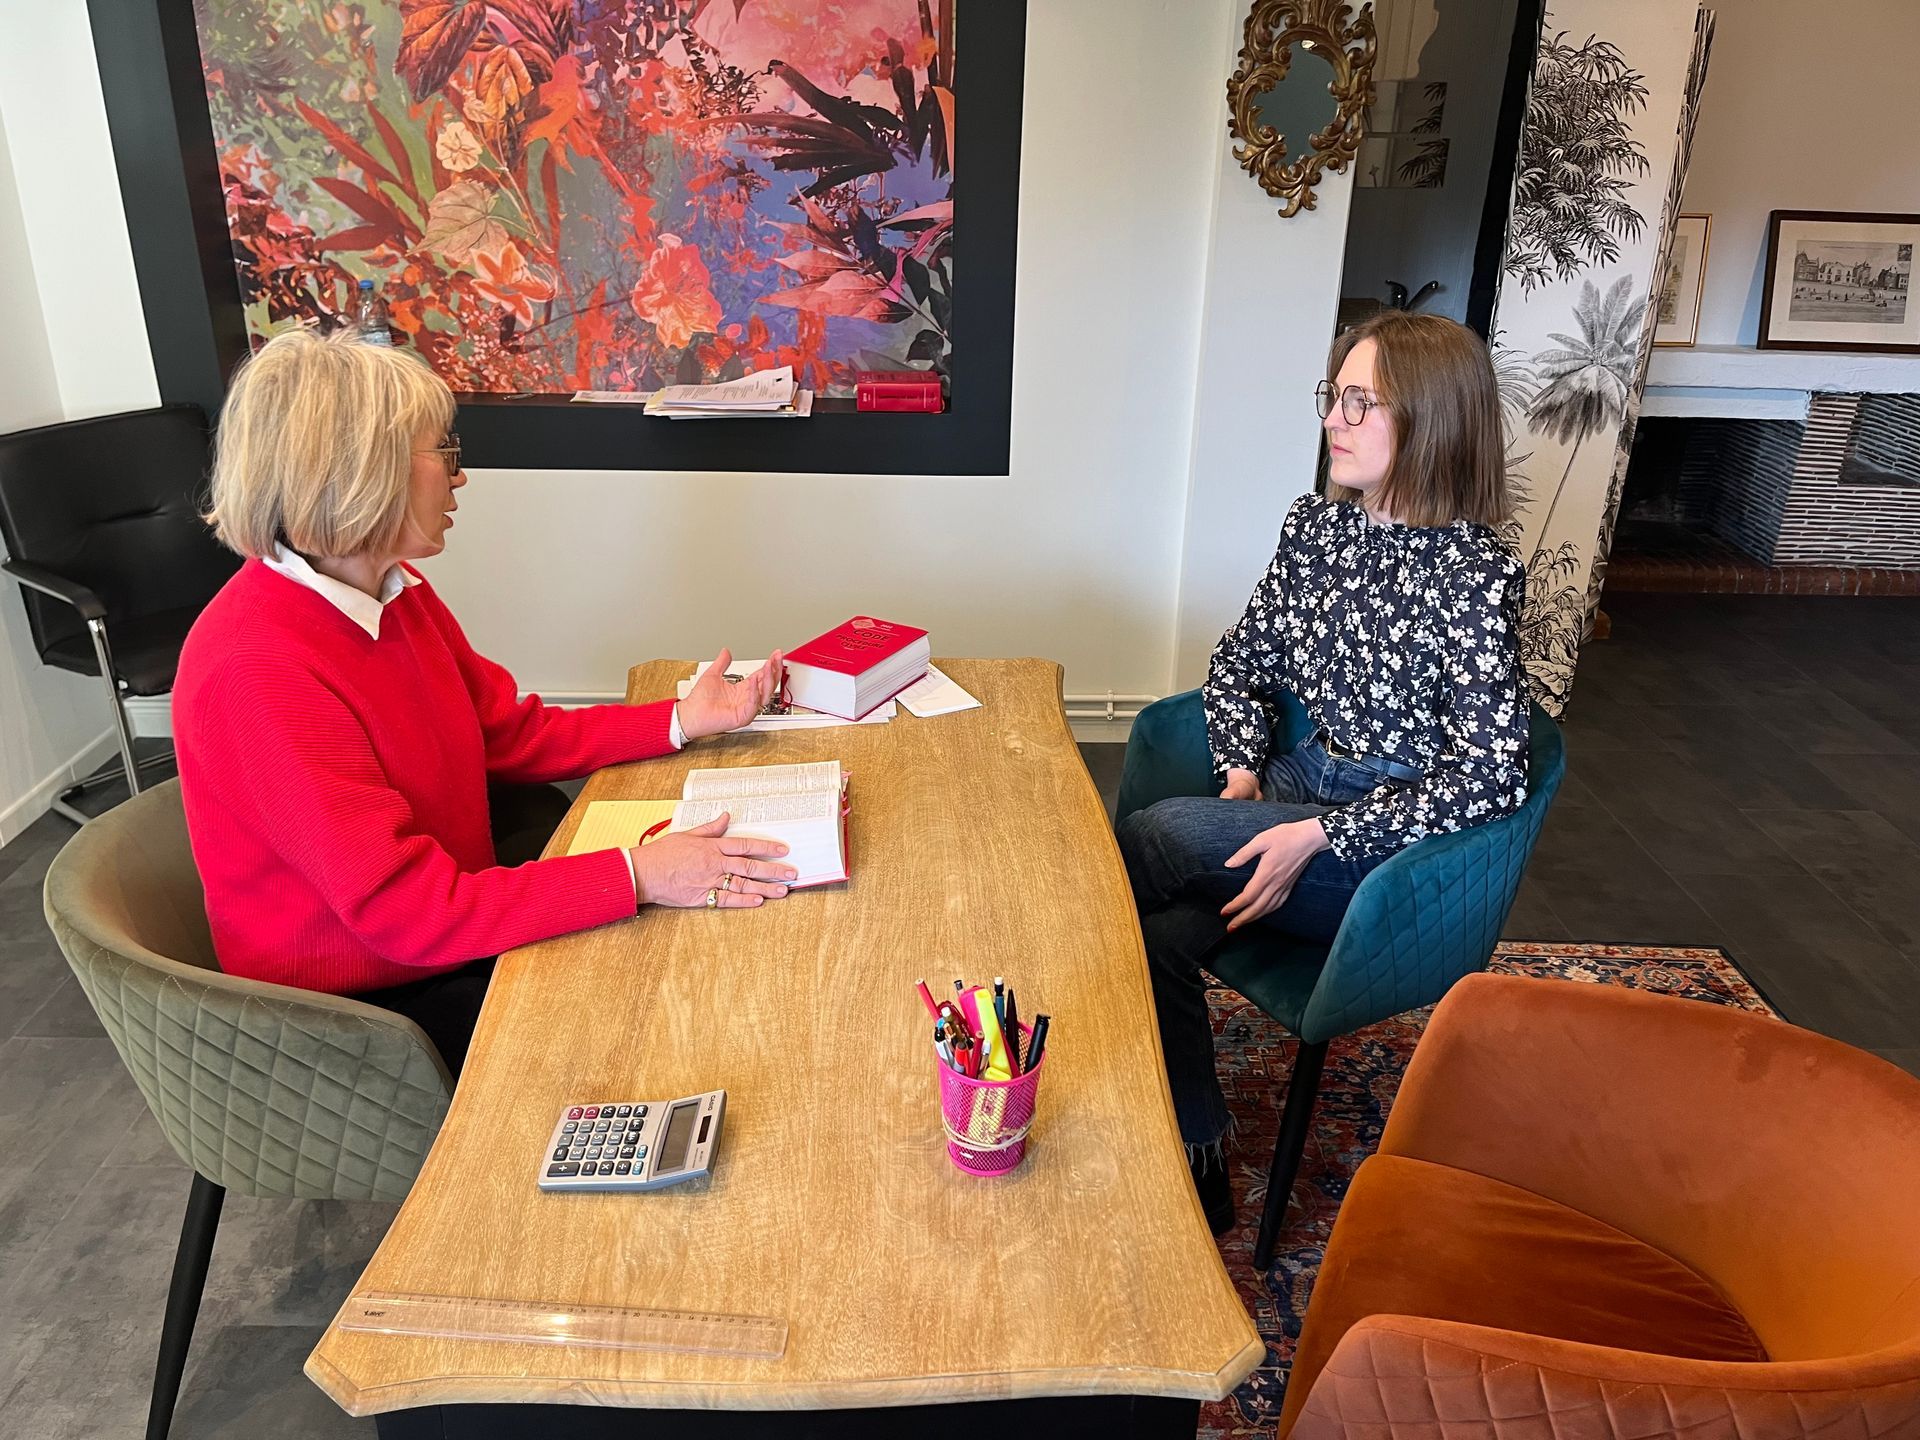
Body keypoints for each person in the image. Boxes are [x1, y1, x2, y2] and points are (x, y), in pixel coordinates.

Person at [174, 326, 797, 1077]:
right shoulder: (256, 668)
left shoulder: (391, 592)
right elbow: (409, 914)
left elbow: (504, 734)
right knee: (667, 1017)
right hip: (356, 1019)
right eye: (444, 453)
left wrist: (681, 720)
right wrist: (639, 874)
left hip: (436, 928)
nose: (460, 477)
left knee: (699, 946)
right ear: (359, 471)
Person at [1116, 310, 1530, 1235]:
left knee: (1151, 836)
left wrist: (1321, 835)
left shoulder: (1474, 574)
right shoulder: (1315, 533)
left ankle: (1069, 1012)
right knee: (1155, 933)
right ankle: (1197, 1148)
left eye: (1358, 403)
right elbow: (1242, 661)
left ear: (1428, 419)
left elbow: (1495, 776)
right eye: (1332, 398)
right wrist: (1240, 775)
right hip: (1297, 788)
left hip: (1388, 855)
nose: (1332, 422)